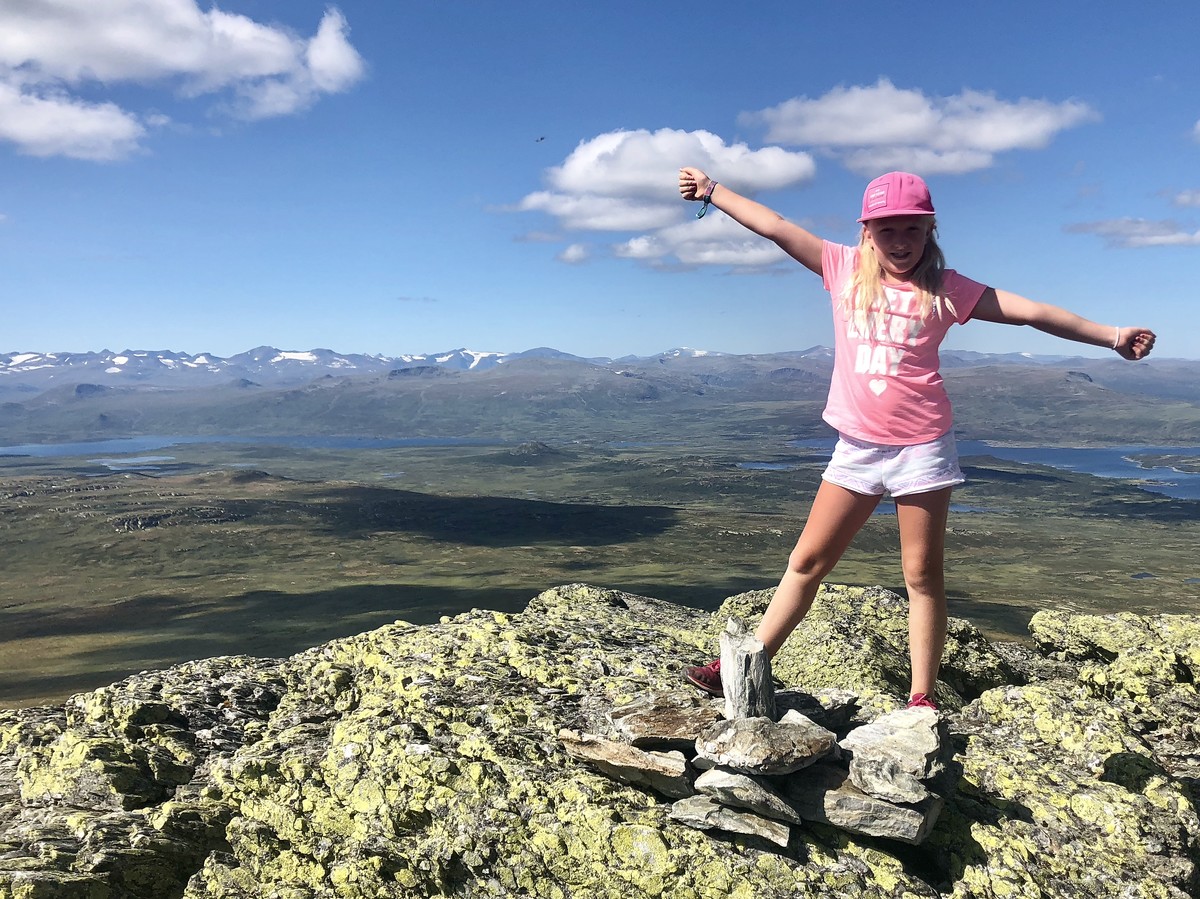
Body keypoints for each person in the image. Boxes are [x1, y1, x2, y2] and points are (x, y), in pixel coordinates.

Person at [677, 166, 1156, 709]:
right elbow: (776, 226)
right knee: (806, 562)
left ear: (931, 230)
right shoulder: (841, 268)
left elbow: (1031, 313)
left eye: (913, 229)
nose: (901, 241)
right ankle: (740, 665)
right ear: (867, 233)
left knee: (921, 575)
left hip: (923, 449)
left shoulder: (947, 289)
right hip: (857, 449)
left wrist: (1112, 336)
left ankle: (921, 696)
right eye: (888, 230)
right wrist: (713, 192)